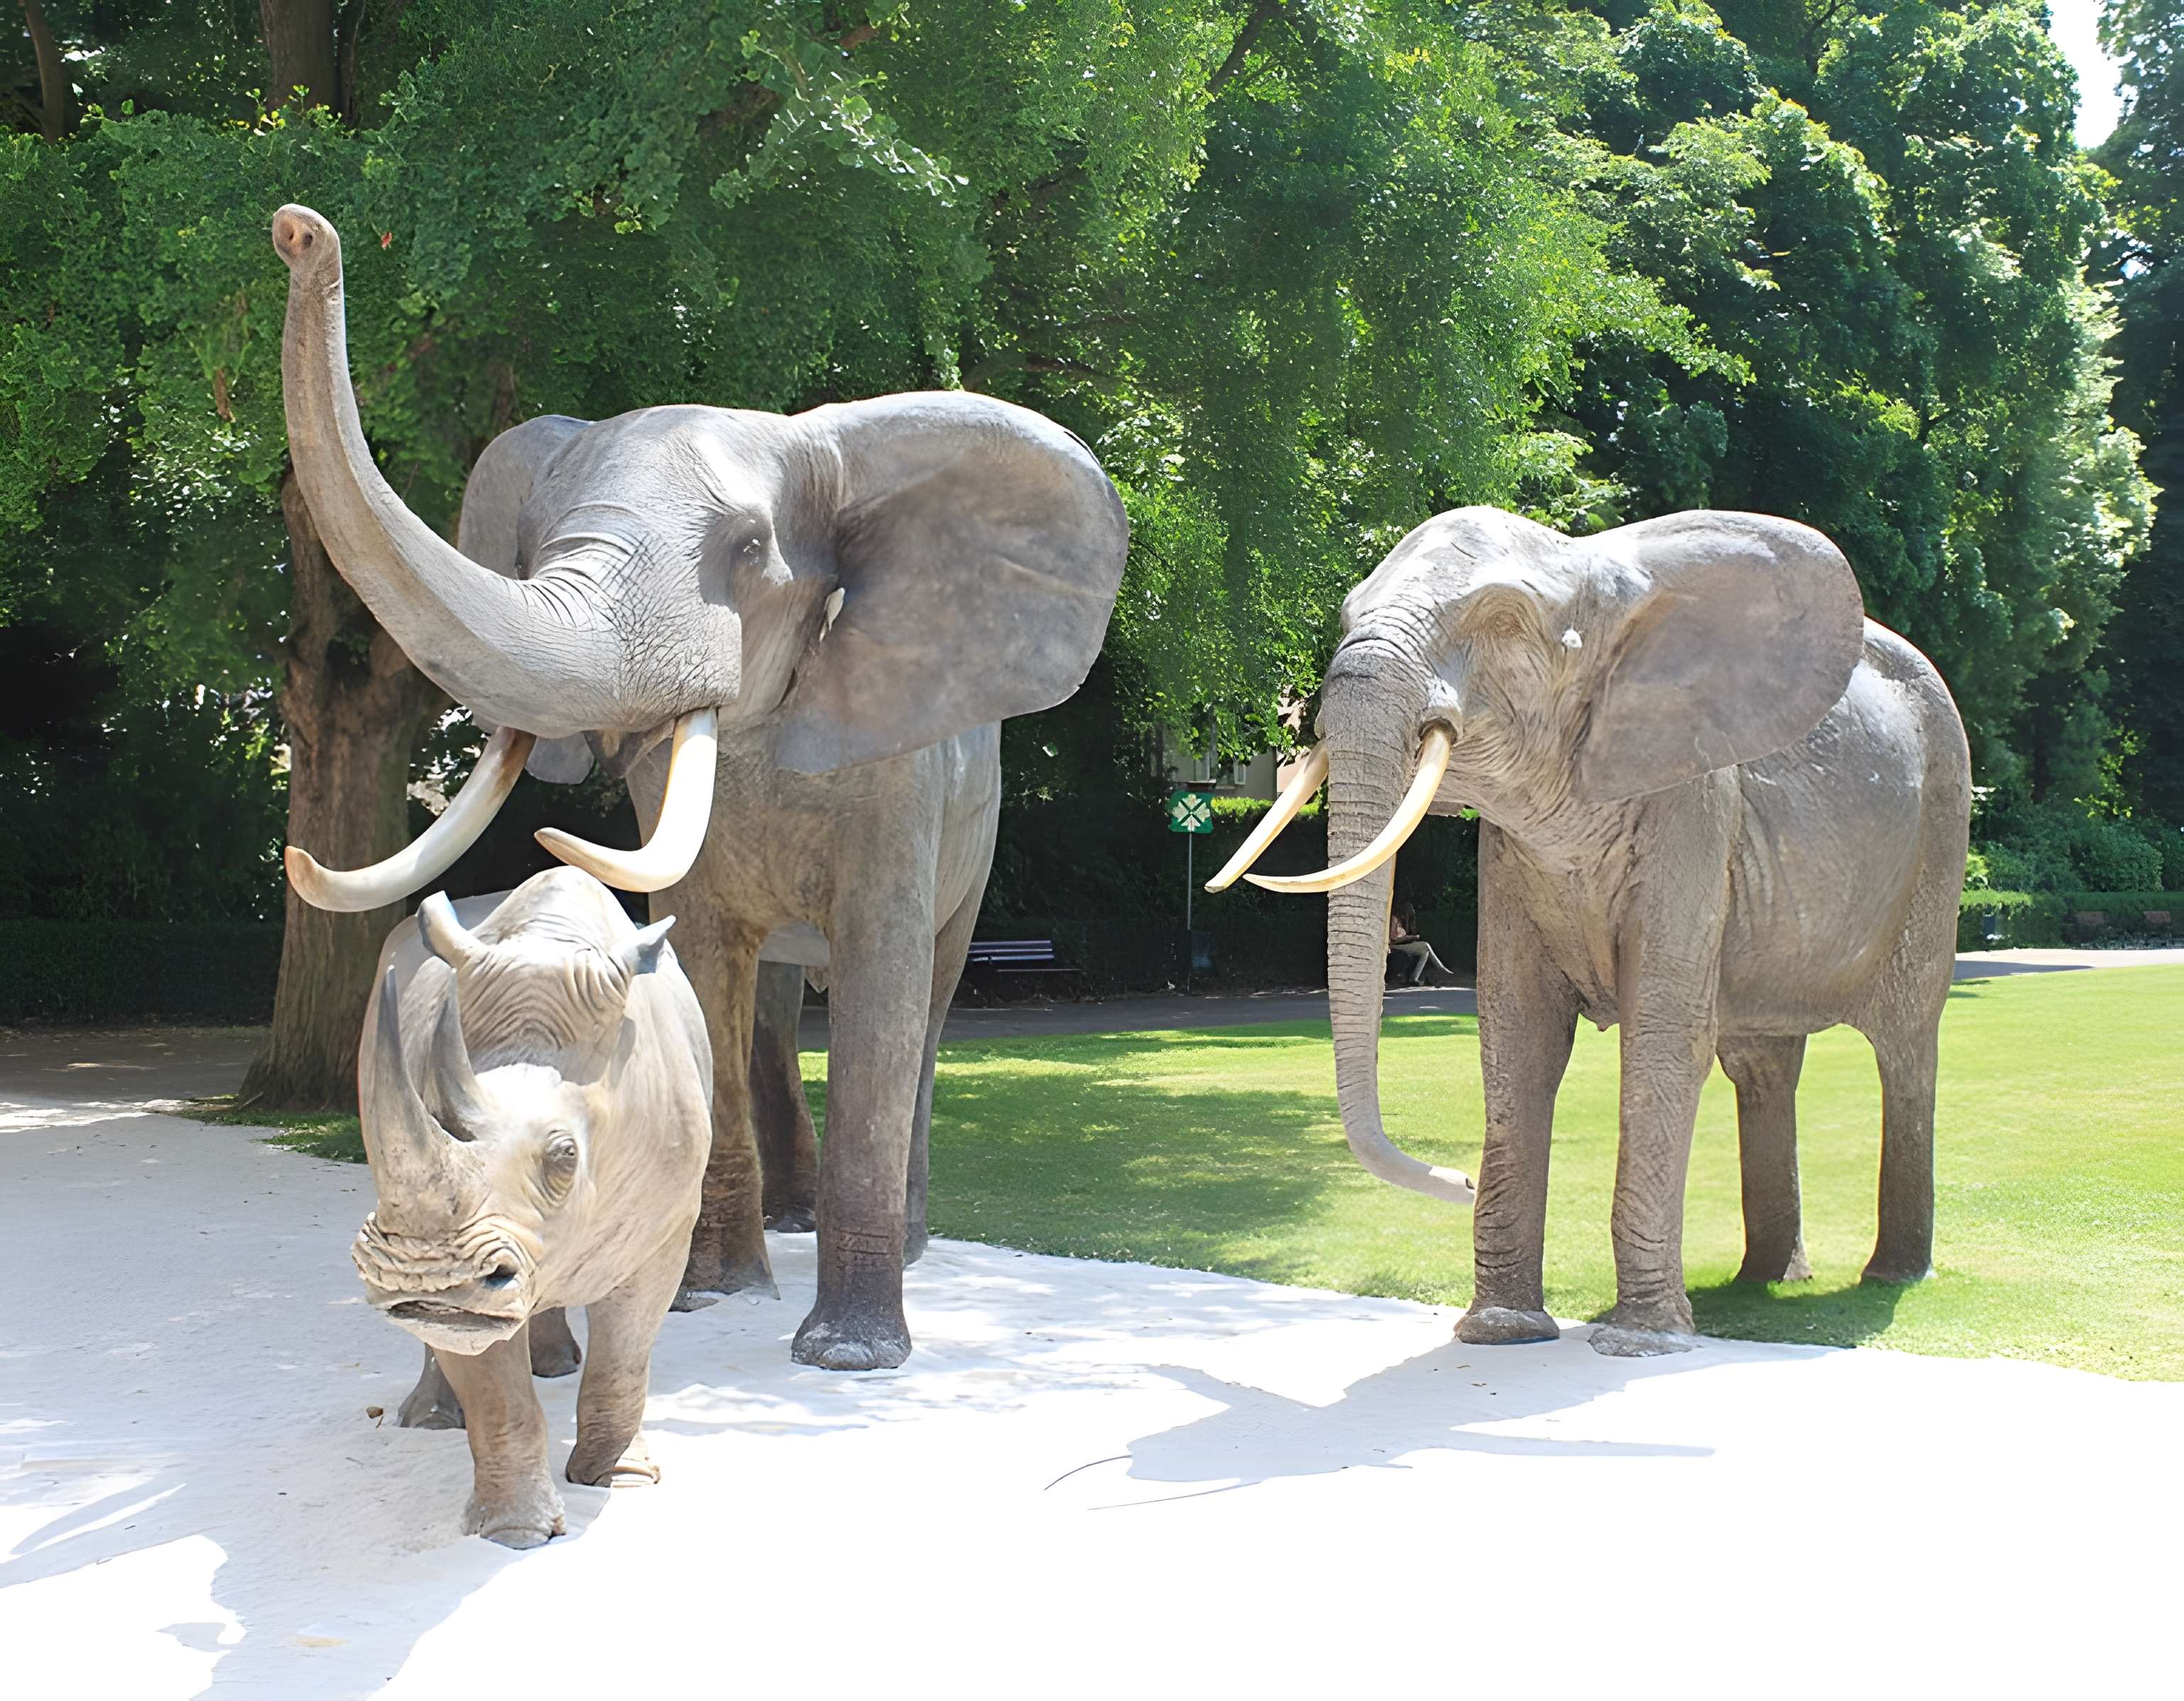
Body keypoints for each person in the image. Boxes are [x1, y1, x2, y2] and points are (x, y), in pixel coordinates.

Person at [1387, 909, 1453, 986]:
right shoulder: (1394, 919)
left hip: (1404, 945)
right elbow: (1393, 939)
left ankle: (1414, 978)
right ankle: (1440, 968)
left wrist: (1411, 939)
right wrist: (1411, 937)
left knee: (1425, 951)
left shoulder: (1405, 923)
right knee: (1425, 945)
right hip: (1394, 946)